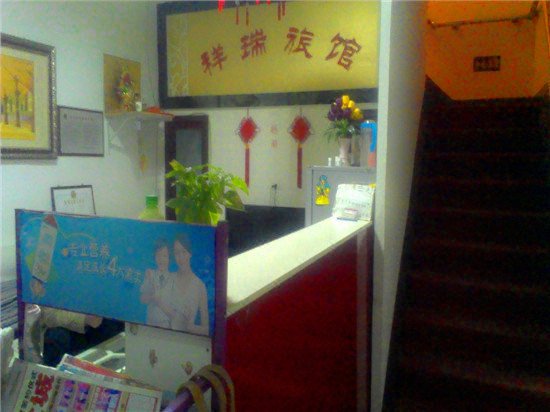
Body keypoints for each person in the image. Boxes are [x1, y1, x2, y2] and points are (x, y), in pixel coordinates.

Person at [151, 234, 209, 335]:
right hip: (161, 336)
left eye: (184, 252)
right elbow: (155, 306)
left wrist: (189, 327)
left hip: (186, 340)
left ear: (190, 253)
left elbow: (206, 329)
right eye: (177, 253)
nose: (181, 257)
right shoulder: (168, 278)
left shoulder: (200, 286)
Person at [140, 240, 171, 328]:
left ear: (169, 258)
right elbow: (142, 299)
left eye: (164, 256)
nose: (161, 259)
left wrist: (159, 302)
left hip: (167, 326)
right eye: (158, 255)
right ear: (154, 257)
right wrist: (151, 297)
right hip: (149, 323)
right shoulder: (150, 274)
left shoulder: (174, 279)